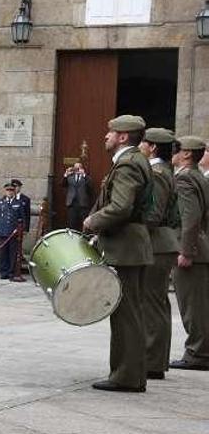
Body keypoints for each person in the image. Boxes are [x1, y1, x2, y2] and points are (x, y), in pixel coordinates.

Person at [82, 115, 153, 393]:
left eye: (110, 132)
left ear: (123, 137)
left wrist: (93, 221)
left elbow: (122, 207)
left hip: (126, 248)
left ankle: (127, 376)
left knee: (126, 314)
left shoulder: (127, 164)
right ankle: (128, 373)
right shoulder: (132, 161)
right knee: (128, 312)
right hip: (128, 245)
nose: (106, 136)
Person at [137, 128, 180, 380]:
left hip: (157, 244)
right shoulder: (163, 171)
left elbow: (154, 213)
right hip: (162, 243)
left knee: (151, 304)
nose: (140, 146)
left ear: (152, 147)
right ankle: (155, 360)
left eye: (143, 142)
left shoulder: (158, 173)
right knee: (157, 303)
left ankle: (151, 361)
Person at [169, 135, 209, 372]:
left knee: (192, 305)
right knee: (200, 304)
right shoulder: (198, 177)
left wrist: (186, 250)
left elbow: (190, 219)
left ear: (186, 154)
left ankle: (198, 352)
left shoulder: (184, 179)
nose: (172, 153)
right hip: (202, 249)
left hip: (193, 251)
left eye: (177, 149)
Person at [0, 182, 26, 280]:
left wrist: (20, 230)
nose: (9, 192)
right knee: (3, 253)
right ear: (5, 191)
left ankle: (11, 272)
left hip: (13, 232)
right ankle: (4, 272)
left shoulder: (18, 203)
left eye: (11, 190)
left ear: (14, 192)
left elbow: (22, 218)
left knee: (12, 253)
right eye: (8, 190)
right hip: (2, 231)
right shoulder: (0, 202)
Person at [63, 162, 93, 230]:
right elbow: (63, 184)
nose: (77, 170)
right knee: (71, 224)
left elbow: (90, 186)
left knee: (83, 225)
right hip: (72, 204)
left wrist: (84, 175)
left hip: (82, 204)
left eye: (78, 168)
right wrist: (65, 175)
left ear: (81, 168)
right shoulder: (70, 176)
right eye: (75, 168)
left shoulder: (85, 177)